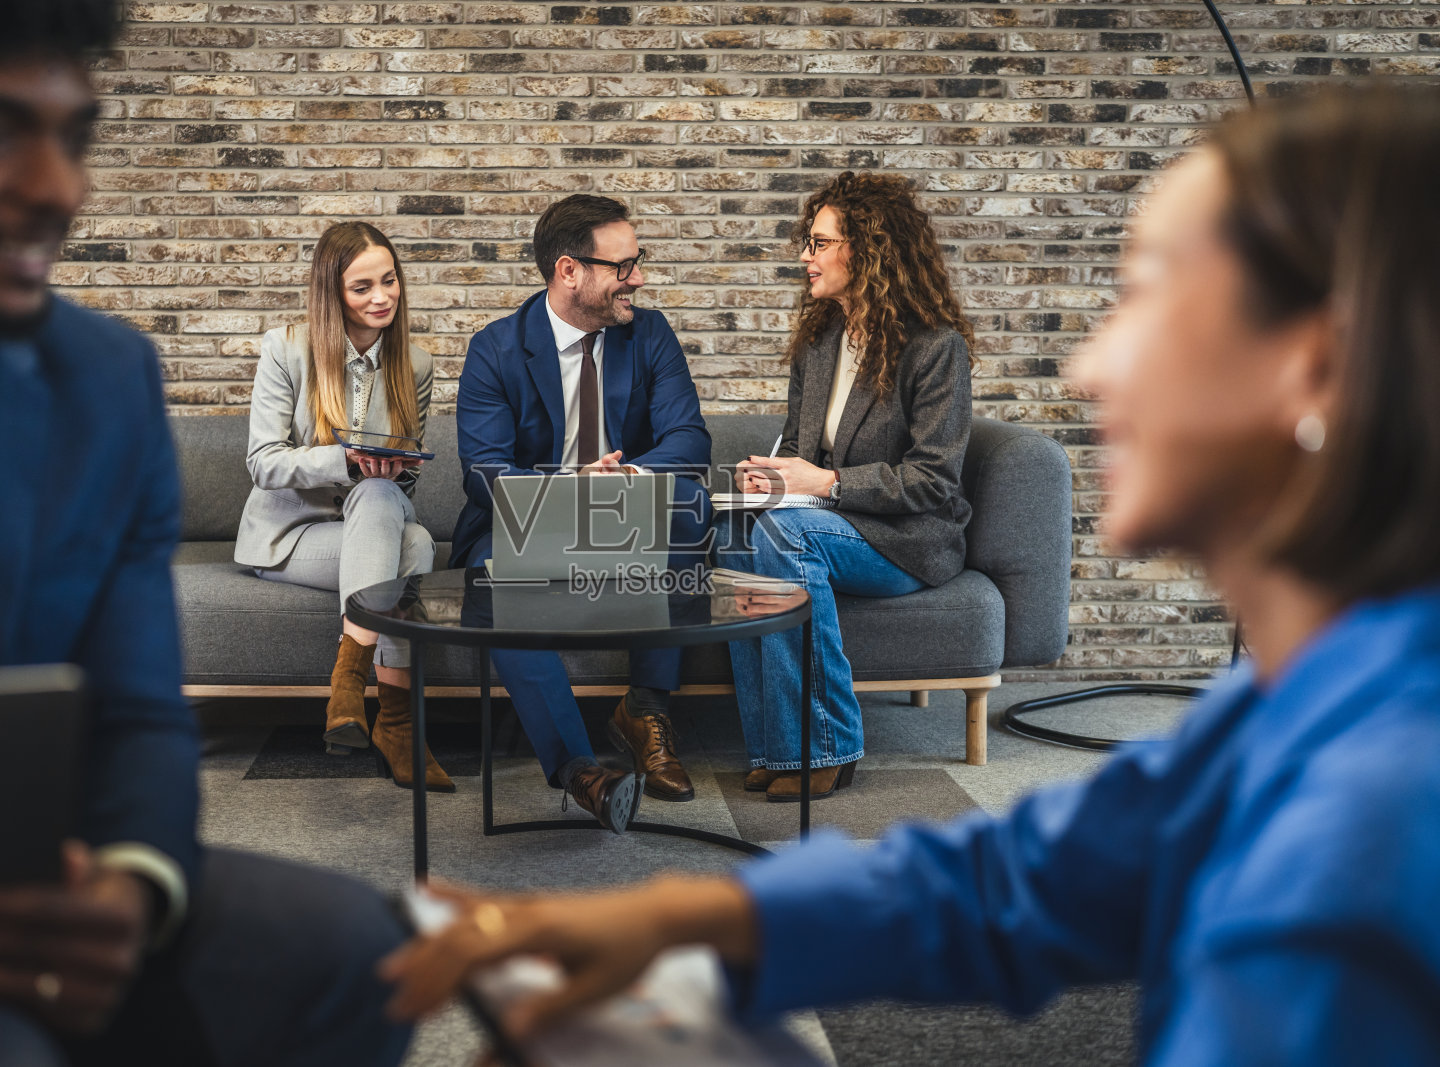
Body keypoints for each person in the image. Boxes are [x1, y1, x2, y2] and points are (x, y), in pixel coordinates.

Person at [380, 83, 1440, 1063]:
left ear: (1315, 366)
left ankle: (792, 739)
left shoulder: (1374, 828)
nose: (1089, 367)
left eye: (1151, 297)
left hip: (890, 534)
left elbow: (908, 477)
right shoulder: (1272, 716)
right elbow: (1009, 883)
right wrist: (681, 920)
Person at [0, 2, 408, 1063]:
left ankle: (368, 678)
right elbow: (268, 460)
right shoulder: (288, 348)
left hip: (12, 862)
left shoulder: (101, 380)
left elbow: (141, 711)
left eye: (74, 136)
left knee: (359, 952)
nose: (57, 189)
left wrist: (130, 885)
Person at [452, 194, 713, 833]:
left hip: (627, 513)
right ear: (569, 271)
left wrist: (628, 481)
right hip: (532, 520)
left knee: (688, 509)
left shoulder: (648, 335)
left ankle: (645, 711)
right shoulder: (496, 349)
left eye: (638, 261)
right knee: (496, 575)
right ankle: (582, 772)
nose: (638, 279)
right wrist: (572, 487)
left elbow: (689, 440)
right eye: (622, 266)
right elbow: (483, 473)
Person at [717, 171, 974, 801]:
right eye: (808, 242)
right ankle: (777, 745)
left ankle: (826, 745)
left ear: (869, 250)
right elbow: (800, 450)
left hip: (905, 538)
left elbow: (933, 479)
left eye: (821, 243)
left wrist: (826, 482)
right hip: (831, 522)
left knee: (788, 534)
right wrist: (772, 477)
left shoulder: (935, 348)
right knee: (733, 534)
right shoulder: (821, 341)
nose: (806, 256)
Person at [236, 221, 448, 789]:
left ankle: (356, 695)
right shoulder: (286, 349)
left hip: (370, 524)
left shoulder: (416, 365)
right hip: (292, 535)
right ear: (333, 293)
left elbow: (403, 489)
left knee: (401, 521)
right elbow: (264, 462)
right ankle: (394, 721)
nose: (382, 297)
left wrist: (392, 472)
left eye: (389, 281)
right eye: (362, 287)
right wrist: (346, 461)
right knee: (414, 547)